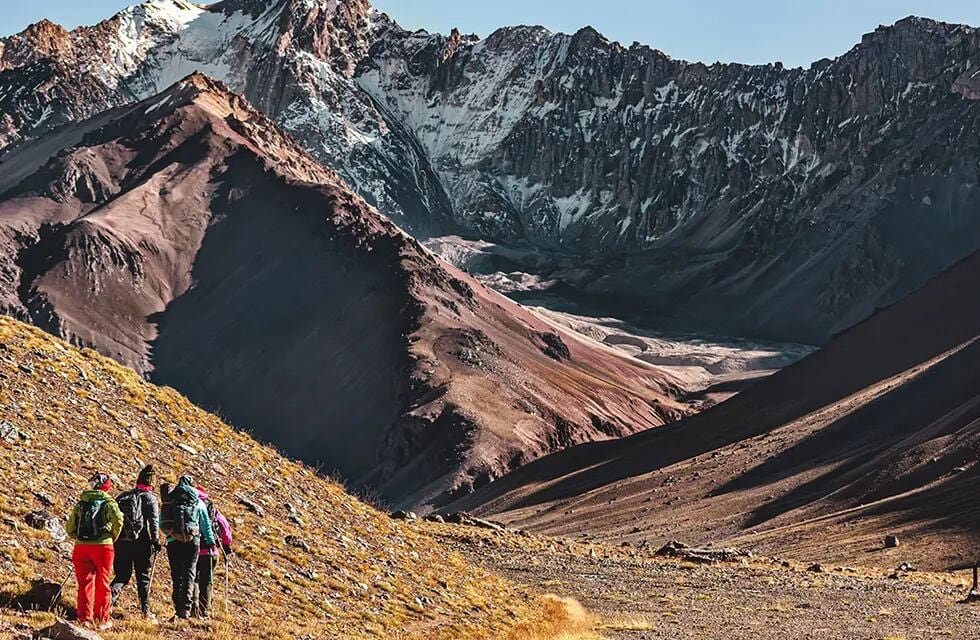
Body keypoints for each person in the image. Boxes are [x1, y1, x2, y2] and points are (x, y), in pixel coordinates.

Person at [65, 472, 124, 631]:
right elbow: (118, 520)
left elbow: (70, 527)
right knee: (103, 582)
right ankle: (102, 619)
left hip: (81, 547)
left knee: (84, 583)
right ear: (106, 486)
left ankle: (84, 618)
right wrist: (112, 536)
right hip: (103, 547)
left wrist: (78, 538)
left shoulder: (81, 503)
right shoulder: (109, 502)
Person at [110, 464, 162, 622]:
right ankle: (145, 611)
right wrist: (155, 540)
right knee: (143, 577)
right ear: (152, 484)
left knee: (122, 576)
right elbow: (153, 522)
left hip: (121, 541)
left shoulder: (123, 496)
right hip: (142, 543)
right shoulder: (150, 498)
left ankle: (106, 604)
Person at [161, 475, 215, 620]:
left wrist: (170, 534)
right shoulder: (197, 502)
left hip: (173, 542)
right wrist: (211, 541)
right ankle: (185, 608)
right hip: (193, 541)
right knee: (189, 574)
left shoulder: (170, 501)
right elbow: (205, 525)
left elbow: (162, 523)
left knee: (176, 574)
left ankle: (177, 606)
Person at [193, 485, 233, 618]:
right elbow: (224, 528)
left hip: (192, 549)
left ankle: (193, 608)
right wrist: (227, 546)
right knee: (207, 581)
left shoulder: (191, 504)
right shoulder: (212, 508)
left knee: (193, 579)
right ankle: (205, 610)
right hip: (210, 551)